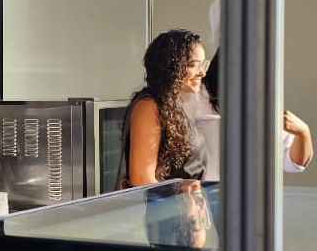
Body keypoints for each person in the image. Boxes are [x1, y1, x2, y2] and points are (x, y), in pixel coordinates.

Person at [190, 49, 313, 180]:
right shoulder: (194, 96)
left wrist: (303, 132)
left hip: (250, 195)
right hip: (202, 193)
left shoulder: (262, 105)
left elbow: (293, 165)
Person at [116, 29, 209, 189]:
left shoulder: (174, 106)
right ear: (172, 66)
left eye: (203, 65)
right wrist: (181, 192)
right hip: (165, 211)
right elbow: (141, 179)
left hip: (183, 209)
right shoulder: (148, 106)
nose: (202, 72)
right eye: (194, 65)